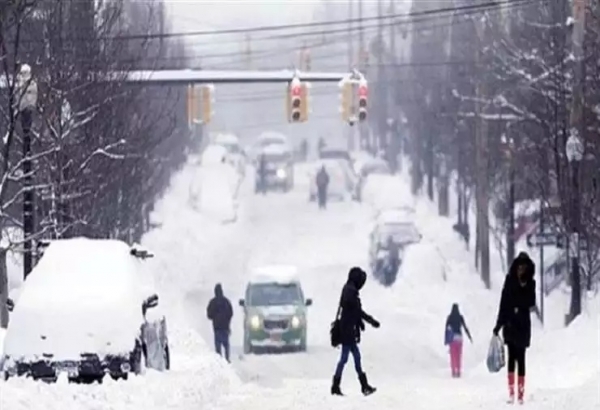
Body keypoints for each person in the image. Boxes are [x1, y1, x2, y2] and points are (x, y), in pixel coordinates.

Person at [493, 252, 536, 404]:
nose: (521, 270)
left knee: (522, 358)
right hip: (510, 324)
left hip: (523, 324)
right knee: (512, 358)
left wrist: (523, 294)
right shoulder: (509, 281)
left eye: (524, 267)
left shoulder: (530, 283)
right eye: (519, 266)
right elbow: (503, 303)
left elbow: (531, 302)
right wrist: (498, 325)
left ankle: (521, 394)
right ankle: (511, 392)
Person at [331, 267, 380, 396]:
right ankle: (336, 385)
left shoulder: (349, 290)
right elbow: (356, 311)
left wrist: (360, 322)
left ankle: (363, 386)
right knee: (345, 358)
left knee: (355, 357)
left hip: (349, 330)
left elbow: (354, 312)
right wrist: (369, 321)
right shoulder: (350, 292)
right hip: (347, 331)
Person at [206, 283, 233, 363]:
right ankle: (227, 359)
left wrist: (215, 317)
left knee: (218, 346)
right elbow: (230, 313)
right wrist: (227, 320)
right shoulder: (226, 301)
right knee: (226, 344)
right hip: (225, 327)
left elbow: (209, 315)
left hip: (217, 328)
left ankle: (220, 361)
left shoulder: (212, 302)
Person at [444, 303, 472, 378]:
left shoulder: (449, 317)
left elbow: (446, 329)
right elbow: (465, 327)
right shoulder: (460, 317)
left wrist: (445, 340)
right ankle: (458, 371)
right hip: (459, 338)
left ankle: (453, 371)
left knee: (453, 356)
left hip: (452, 338)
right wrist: (469, 336)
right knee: (459, 356)